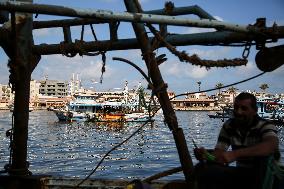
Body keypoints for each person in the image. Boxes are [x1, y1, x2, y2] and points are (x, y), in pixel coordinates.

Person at [194, 92, 279, 189]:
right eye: (236, 107)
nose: (238, 112)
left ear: (254, 111)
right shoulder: (229, 125)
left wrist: (235, 154)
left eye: (244, 108)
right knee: (201, 168)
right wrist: (206, 154)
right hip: (242, 173)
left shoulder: (265, 125)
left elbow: (271, 146)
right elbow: (219, 152)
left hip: (265, 176)